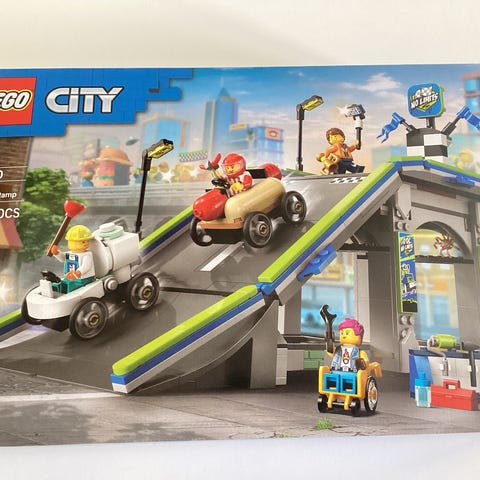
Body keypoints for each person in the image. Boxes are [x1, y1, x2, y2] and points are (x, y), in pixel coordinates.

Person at [49, 225, 96, 293]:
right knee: (63, 284)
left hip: (84, 279)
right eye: (83, 242)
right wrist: (56, 253)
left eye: (87, 241)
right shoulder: (69, 253)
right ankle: (58, 289)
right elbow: (63, 258)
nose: (86, 243)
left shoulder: (87, 255)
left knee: (70, 286)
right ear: (70, 242)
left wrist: (78, 273)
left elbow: (86, 266)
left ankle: (65, 292)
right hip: (69, 277)